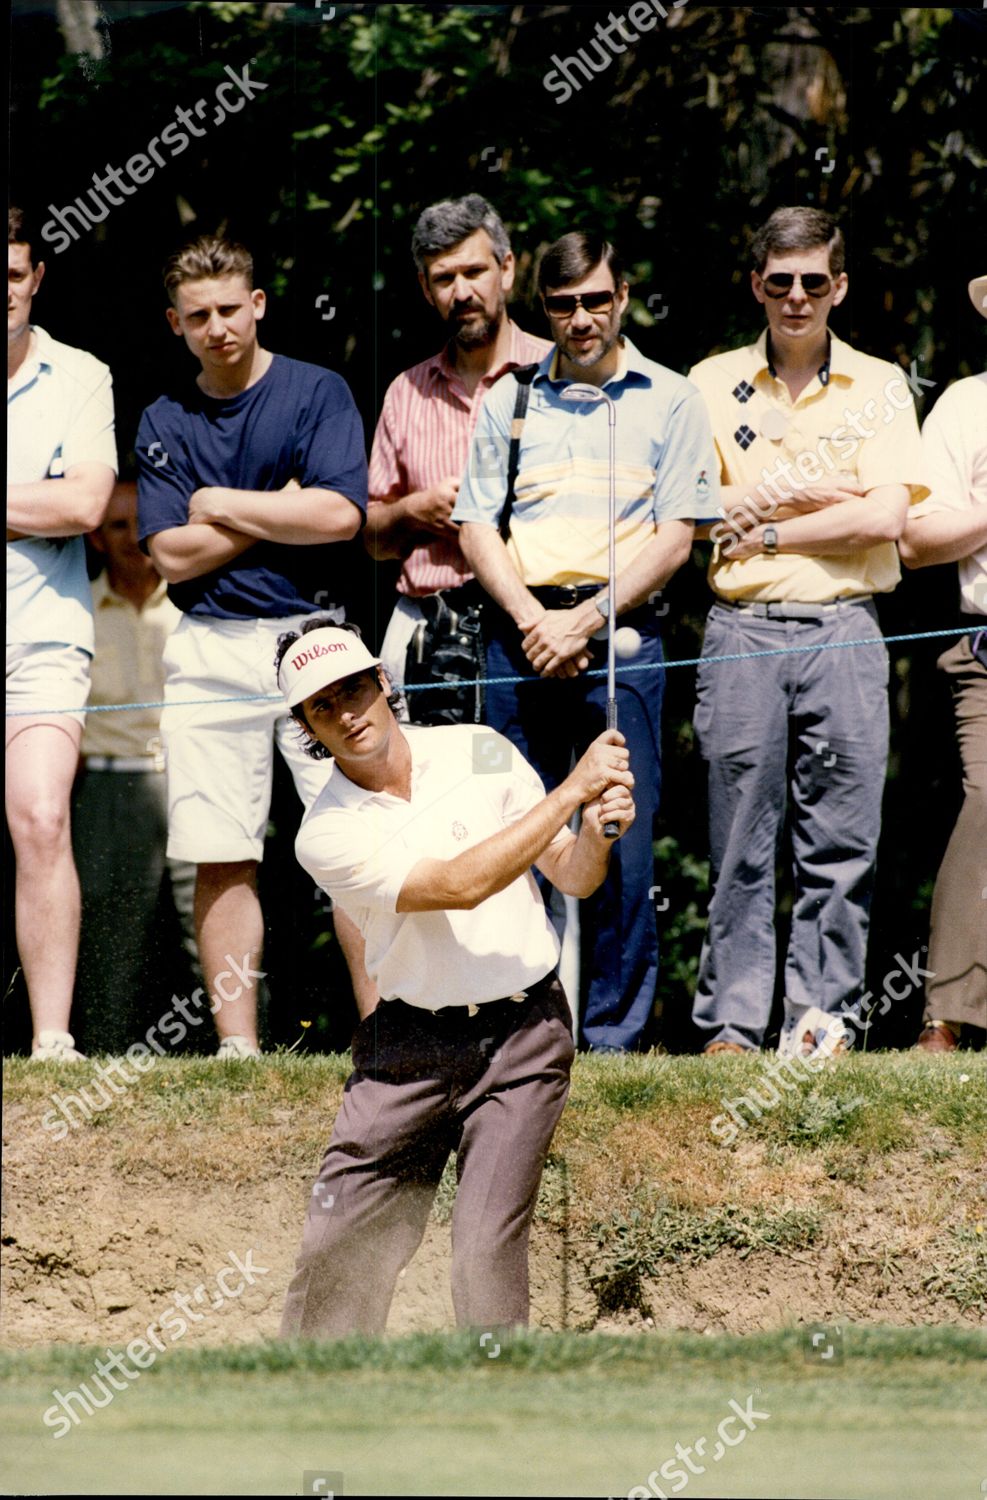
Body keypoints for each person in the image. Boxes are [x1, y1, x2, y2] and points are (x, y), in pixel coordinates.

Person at [275, 618, 635, 1336]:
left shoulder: (479, 748)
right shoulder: (325, 831)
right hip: (405, 1048)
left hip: (523, 1037)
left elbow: (570, 873)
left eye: (354, 689)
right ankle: (310, 1407)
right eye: (323, 706)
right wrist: (571, 792)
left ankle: (497, 1423)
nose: (347, 714)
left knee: (481, 1251)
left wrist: (594, 828)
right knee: (338, 1245)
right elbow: (457, 885)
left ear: (383, 683)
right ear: (306, 725)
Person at [453, 231, 716, 1052]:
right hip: (519, 637)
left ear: (623, 299)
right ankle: (510, 1029)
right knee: (509, 832)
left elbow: (676, 536)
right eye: (562, 304)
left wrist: (584, 620)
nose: (580, 318)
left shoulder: (669, 398)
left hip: (620, 639)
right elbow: (474, 527)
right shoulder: (510, 399)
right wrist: (536, 621)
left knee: (616, 834)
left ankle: (612, 1037)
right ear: (544, 310)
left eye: (595, 300)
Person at [686, 206, 927, 1056]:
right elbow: (689, 507)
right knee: (739, 843)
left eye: (813, 282)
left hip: (845, 631)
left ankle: (819, 1028)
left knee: (840, 842)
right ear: (756, 284)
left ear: (840, 287)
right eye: (779, 282)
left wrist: (777, 516)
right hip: (742, 631)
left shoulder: (882, 385)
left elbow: (889, 514)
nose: (796, 298)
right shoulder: (707, 383)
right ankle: (730, 1027)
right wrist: (829, 495)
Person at [136, 234, 372, 1057]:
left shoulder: (318, 391)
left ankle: (386, 1034)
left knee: (357, 837)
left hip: (317, 636)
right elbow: (169, 554)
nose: (218, 328)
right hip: (207, 645)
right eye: (198, 316)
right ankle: (238, 1050)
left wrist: (217, 505)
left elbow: (341, 516)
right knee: (219, 852)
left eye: (231, 309)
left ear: (259, 305)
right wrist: (275, 508)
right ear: (176, 323)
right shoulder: (163, 418)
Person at [366, 194, 551, 715]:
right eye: (445, 278)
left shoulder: (558, 376)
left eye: (475, 271)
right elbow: (372, 537)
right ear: (426, 289)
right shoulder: (406, 391)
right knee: (429, 790)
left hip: (534, 626)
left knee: (539, 789)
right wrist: (412, 511)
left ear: (507, 269)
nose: (463, 292)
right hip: (426, 626)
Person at [6, 205, 116, 1061]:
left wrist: (51, 511)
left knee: (42, 818)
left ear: (36, 277)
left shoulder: (81, 376)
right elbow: (52, 504)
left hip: (43, 637)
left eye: (12, 275)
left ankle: (51, 1040)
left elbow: (83, 506)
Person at [71, 477, 200, 1054]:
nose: (132, 538)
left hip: (192, 777)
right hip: (109, 783)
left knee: (208, 930)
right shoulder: (74, 608)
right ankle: (99, 1063)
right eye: (116, 526)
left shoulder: (197, 604)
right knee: (111, 946)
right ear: (96, 537)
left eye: (139, 524)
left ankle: (249, 1056)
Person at [899, 271, 987, 1052]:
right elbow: (917, 540)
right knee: (985, 804)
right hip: (985, 649)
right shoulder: (963, 402)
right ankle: (947, 1018)